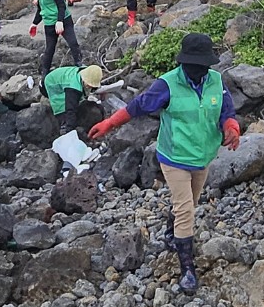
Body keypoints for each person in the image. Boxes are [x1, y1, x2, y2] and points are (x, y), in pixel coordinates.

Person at [88, 33, 240, 293]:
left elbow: (226, 110)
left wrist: (231, 126)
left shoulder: (216, 81)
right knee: (186, 210)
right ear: (184, 63)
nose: (197, 70)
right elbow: (137, 106)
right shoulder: (167, 85)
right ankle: (187, 269)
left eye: (202, 66)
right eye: (193, 65)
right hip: (174, 157)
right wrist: (109, 124)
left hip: (203, 156)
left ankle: (171, 233)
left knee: (189, 203)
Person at [27, 0, 82, 76]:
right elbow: (41, 10)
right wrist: (34, 24)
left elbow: (61, 5)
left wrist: (60, 21)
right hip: (49, 24)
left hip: (63, 21)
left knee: (73, 43)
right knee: (49, 49)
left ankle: (79, 66)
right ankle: (45, 73)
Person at [44, 65, 104, 134]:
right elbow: (70, 109)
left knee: (77, 101)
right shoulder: (73, 88)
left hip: (61, 77)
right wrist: (70, 129)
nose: (90, 87)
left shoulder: (86, 72)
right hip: (52, 83)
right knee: (63, 111)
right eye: (89, 85)